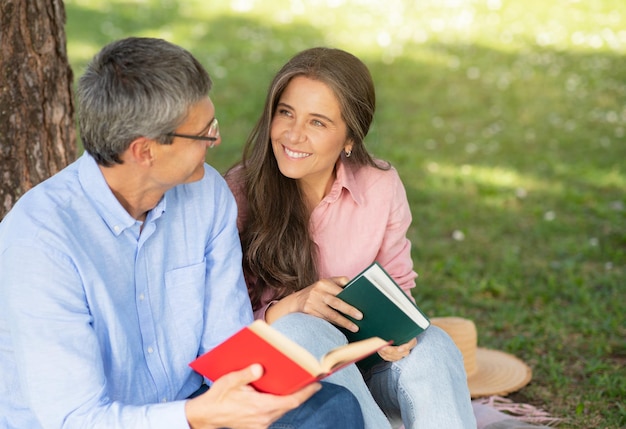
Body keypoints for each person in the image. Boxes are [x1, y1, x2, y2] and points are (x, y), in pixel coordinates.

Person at [0, 37, 365, 429]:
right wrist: (196, 416)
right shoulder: (41, 241)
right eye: (203, 132)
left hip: (193, 401)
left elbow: (226, 345)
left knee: (331, 408)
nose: (217, 139)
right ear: (144, 151)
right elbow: (76, 418)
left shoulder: (206, 193)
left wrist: (268, 385)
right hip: (100, 421)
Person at [225, 47, 477, 429]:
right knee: (301, 328)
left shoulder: (380, 185)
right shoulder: (239, 193)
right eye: (286, 113)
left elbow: (399, 284)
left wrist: (401, 333)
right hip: (288, 376)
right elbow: (221, 325)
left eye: (318, 123)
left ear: (349, 139)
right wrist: (290, 307)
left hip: (368, 367)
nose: (293, 134)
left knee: (434, 343)